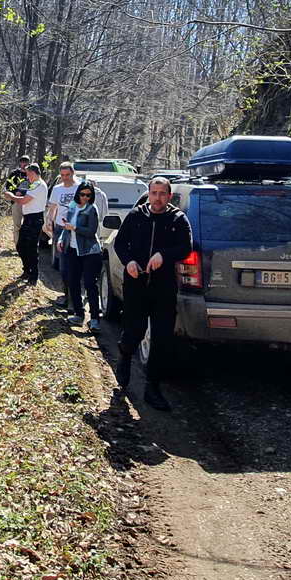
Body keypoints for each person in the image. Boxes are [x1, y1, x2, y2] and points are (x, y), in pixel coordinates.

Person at [113, 176, 193, 411]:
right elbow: (120, 244)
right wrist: (128, 261)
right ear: (148, 194)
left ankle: (153, 388)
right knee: (134, 331)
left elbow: (186, 247)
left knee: (161, 338)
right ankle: (125, 357)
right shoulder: (136, 215)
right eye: (154, 193)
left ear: (169, 196)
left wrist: (164, 255)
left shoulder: (178, 219)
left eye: (162, 194)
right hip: (136, 283)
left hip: (163, 286)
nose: (157, 198)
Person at [62, 181, 106, 331]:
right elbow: (66, 226)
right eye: (83, 194)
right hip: (73, 249)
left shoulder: (91, 209)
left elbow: (91, 231)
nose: (85, 197)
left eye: (88, 195)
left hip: (90, 251)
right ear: (78, 194)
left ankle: (94, 319)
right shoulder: (72, 206)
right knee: (73, 282)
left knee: (90, 284)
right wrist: (62, 239)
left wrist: (74, 227)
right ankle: (79, 314)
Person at [4, 164, 47, 284]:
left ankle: (33, 276)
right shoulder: (33, 184)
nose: (27, 177)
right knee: (21, 245)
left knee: (31, 248)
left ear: (33, 173)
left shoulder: (39, 185)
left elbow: (23, 201)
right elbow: (26, 197)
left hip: (35, 219)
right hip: (29, 218)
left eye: (28, 174)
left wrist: (11, 196)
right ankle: (27, 271)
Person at [7, 155, 35, 247]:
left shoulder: (32, 173)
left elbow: (36, 186)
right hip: (17, 202)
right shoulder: (14, 174)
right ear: (20, 163)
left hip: (29, 202)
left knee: (29, 225)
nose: (24, 163)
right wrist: (15, 192)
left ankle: (27, 245)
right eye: (22, 161)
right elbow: (8, 188)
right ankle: (17, 245)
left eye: (26, 161)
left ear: (29, 163)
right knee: (17, 225)